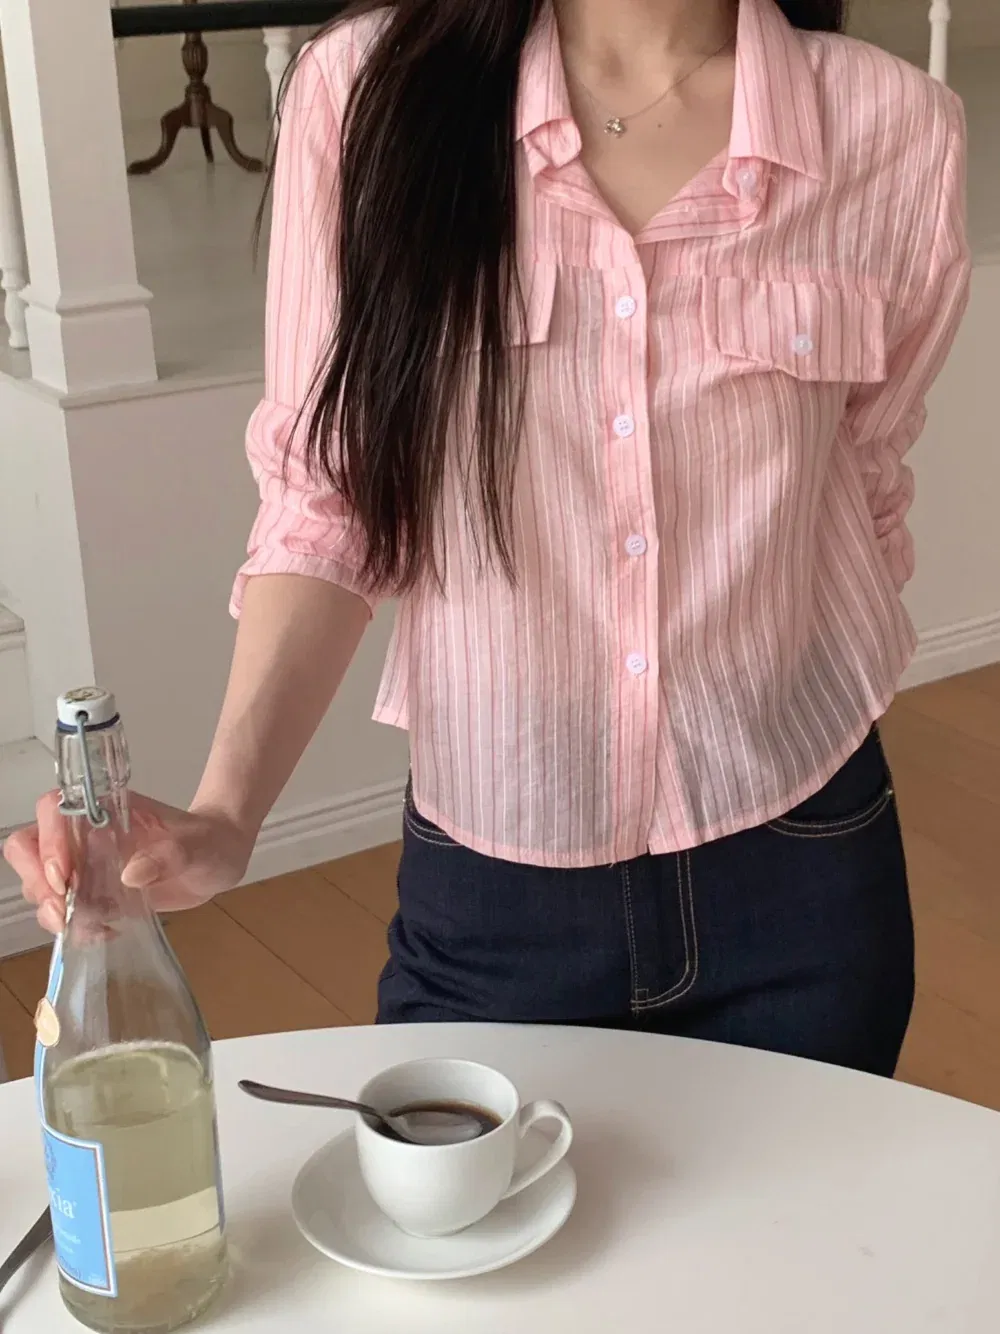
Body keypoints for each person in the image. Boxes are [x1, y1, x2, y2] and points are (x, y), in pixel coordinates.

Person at [6, 0, 970, 1075]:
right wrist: (227, 812)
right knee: (455, 1188)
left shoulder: (894, 127)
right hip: (496, 886)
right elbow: (329, 496)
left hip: (804, 858)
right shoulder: (367, 92)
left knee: (812, 1193)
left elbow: (862, 480)